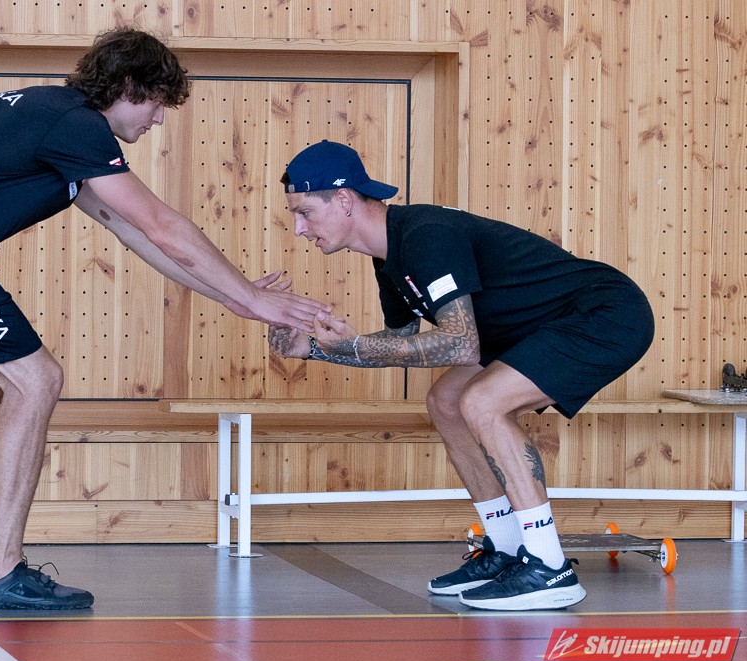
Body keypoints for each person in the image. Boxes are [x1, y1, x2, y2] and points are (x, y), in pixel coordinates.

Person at [0, 27, 325, 611]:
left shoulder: (56, 121)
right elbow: (162, 224)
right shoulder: (74, 124)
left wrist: (234, 298)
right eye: (157, 102)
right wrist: (253, 300)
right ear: (129, 85)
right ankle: (0, 572)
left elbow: (133, 231)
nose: (158, 118)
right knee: (38, 380)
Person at [267, 140, 654, 611]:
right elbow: (397, 345)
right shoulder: (388, 260)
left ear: (344, 199)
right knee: (446, 401)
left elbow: (460, 343)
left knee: (481, 401)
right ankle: (507, 548)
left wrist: (354, 344)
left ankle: (548, 566)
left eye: (304, 212)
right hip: (532, 330)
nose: (298, 229)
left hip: (605, 314)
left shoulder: (426, 236)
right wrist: (311, 349)